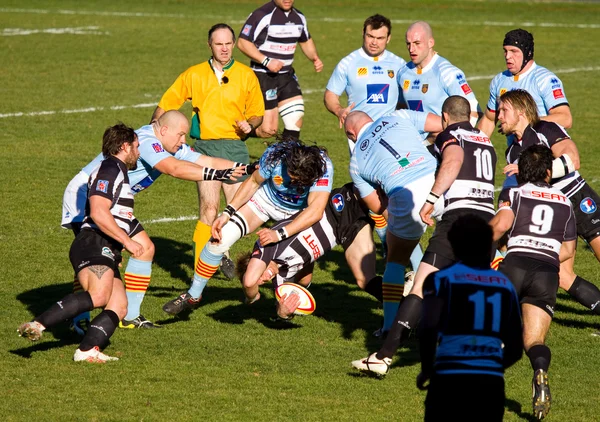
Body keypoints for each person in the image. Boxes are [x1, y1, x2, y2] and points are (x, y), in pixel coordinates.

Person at [62, 110, 248, 331]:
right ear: (164, 130)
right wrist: (216, 175)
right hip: (86, 196)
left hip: (114, 203)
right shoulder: (149, 142)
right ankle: (79, 318)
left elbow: (205, 160)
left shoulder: (170, 144)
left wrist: (242, 169)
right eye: (180, 135)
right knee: (95, 258)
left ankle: (130, 315)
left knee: (145, 248)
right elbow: (174, 169)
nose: (183, 141)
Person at [351, 96, 498, 374]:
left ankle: (384, 353)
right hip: (485, 218)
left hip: (455, 216)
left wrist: (431, 197)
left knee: (418, 284)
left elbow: (452, 160)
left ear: (445, 117)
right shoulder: (486, 141)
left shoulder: (448, 136)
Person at [162, 139, 334, 315]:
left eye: (298, 181)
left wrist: (280, 234)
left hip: (299, 213)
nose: (291, 182)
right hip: (265, 202)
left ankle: (283, 304)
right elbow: (253, 182)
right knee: (219, 240)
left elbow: (315, 211)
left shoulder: (323, 166)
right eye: (289, 175)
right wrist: (227, 213)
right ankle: (193, 295)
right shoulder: (276, 155)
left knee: (303, 281)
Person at [18, 123, 142, 362]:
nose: (139, 151)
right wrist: (127, 241)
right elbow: (98, 211)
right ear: (124, 146)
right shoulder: (109, 169)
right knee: (98, 296)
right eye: (136, 146)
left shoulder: (116, 170)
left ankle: (87, 350)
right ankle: (38, 324)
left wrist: (117, 247)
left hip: (104, 244)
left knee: (118, 304)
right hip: (95, 241)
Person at [151, 23, 265, 282]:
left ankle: (220, 251)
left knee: (237, 212)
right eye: (218, 44)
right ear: (210, 45)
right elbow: (166, 104)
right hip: (203, 148)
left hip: (235, 148)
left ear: (233, 44)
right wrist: (149, 135)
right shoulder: (194, 74)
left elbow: (257, 114)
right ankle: (199, 272)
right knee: (209, 208)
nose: (224, 48)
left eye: (228, 43)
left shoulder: (247, 75)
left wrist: (251, 124)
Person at [496, 89, 600, 329]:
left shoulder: (544, 129)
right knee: (563, 276)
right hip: (553, 214)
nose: (499, 115)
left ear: (521, 111)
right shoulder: (512, 151)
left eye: (504, 110)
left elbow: (572, 160)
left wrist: (533, 169)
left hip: (576, 199)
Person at [490, 144, 577, 420]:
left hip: (515, 265)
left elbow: (501, 226)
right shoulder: (565, 203)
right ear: (549, 173)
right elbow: (568, 251)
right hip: (546, 273)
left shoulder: (514, 193)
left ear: (521, 172)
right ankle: (539, 371)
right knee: (534, 340)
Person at [415, 214, 523, 421]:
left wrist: (428, 369)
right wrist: (491, 369)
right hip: (490, 384)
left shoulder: (441, 279)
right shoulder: (505, 285)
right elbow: (515, 348)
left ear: (454, 245)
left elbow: (427, 328)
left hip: (449, 377)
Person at [344, 111, 437, 336]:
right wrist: (424, 144)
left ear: (351, 134)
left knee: (394, 263)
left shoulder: (356, 162)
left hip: (405, 194)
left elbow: (377, 206)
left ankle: (389, 327)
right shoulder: (398, 116)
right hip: (438, 179)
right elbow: (440, 124)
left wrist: (398, 219)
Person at [237, 182, 383, 320]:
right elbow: (299, 290)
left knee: (387, 194)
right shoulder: (282, 278)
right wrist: (283, 313)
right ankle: (402, 306)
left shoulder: (266, 245)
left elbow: (249, 283)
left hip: (336, 208)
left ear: (256, 263)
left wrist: (252, 297)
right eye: (261, 282)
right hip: (345, 232)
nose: (263, 279)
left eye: (259, 275)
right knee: (365, 279)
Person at [237, 0, 323, 141]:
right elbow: (242, 42)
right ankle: (238, 133)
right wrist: (266, 61)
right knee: (269, 130)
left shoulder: (298, 17)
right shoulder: (262, 15)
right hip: (264, 76)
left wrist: (314, 58)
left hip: (286, 76)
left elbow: (305, 40)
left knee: (295, 118)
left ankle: (287, 161)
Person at [324, 14, 406, 152]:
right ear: (363, 34)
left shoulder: (399, 64)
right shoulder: (348, 63)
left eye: (380, 38)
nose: (374, 42)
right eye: (370, 36)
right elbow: (330, 95)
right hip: (360, 134)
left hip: (392, 132)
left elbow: (407, 98)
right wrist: (339, 111)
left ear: (389, 38)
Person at [478, 28, 572, 138]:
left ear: (527, 53)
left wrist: (522, 123)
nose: (507, 56)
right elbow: (489, 120)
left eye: (514, 51)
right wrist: (473, 145)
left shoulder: (545, 79)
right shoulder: (499, 80)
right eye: (505, 51)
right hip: (516, 153)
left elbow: (565, 119)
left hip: (544, 152)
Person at [397, 21, 480, 143]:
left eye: (417, 43)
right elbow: (401, 108)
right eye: (408, 44)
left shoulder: (447, 73)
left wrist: (460, 141)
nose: (411, 49)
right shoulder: (403, 73)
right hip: (415, 148)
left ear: (431, 42)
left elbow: (473, 111)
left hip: (443, 145)